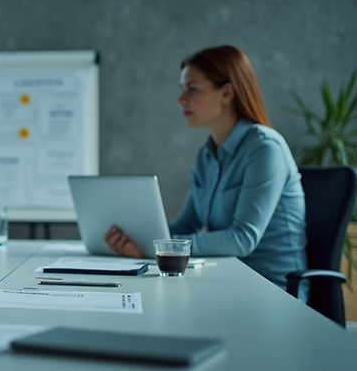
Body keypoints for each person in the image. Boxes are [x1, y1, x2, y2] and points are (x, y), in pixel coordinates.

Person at [104, 45, 307, 292]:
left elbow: (242, 239)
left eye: (192, 89)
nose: (180, 99)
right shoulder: (206, 155)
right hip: (228, 281)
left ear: (227, 92)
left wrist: (155, 247)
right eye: (182, 89)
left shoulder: (265, 148)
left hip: (272, 290)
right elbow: (187, 223)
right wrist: (136, 239)